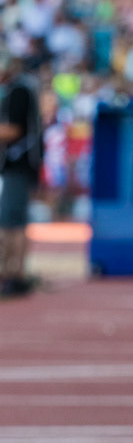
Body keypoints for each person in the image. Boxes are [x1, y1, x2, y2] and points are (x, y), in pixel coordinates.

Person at [0, 57, 43, 296]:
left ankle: (13, 274)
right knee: (13, 221)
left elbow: (13, 130)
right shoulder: (21, 88)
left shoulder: (19, 90)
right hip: (19, 165)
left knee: (10, 222)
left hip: (18, 165)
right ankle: (13, 272)